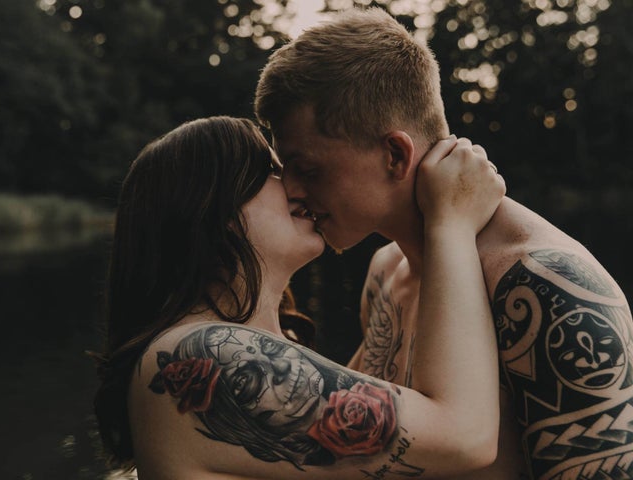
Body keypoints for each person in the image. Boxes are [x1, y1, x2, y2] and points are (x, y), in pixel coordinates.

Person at [254, 7, 633, 480]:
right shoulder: (386, 272)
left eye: (308, 170)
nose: (290, 191)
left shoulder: (553, 290)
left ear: (395, 154)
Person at [92, 115, 506, 479]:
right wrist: (450, 224)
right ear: (211, 210)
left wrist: (413, 263)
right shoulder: (197, 353)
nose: (295, 186)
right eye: (270, 171)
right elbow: (464, 437)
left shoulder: (260, 349)